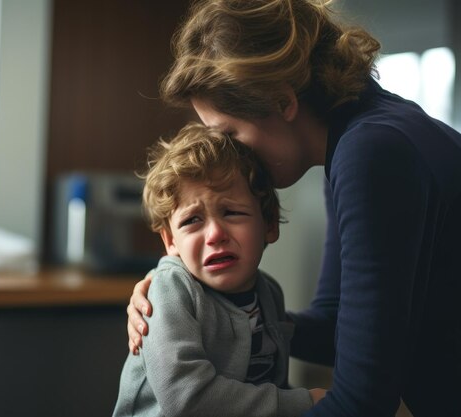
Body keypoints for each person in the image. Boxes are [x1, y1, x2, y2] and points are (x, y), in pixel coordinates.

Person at [126, 0, 461, 416]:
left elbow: (361, 403)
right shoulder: (364, 136)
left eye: (230, 134)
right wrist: (190, 313)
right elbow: (338, 324)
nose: (231, 156)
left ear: (282, 101)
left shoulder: (371, 153)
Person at [113, 122, 324, 417]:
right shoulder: (171, 290)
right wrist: (303, 402)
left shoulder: (269, 293)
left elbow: (268, 385)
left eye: (232, 212)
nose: (214, 234)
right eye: (192, 221)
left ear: (270, 223)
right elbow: (188, 399)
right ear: (171, 240)